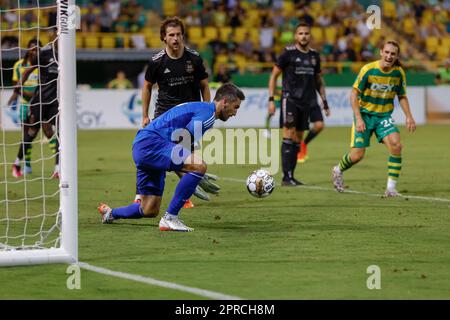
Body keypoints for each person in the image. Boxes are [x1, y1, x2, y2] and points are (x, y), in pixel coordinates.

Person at [98, 83, 245, 232]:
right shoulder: (208, 114)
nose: (235, 113)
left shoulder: (202, 108)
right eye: (236, 107)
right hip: (152, 143)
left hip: (145, 144)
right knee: (199, 166)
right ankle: (170, 218)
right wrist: (190, 172)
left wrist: (188, 171)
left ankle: (110, 214)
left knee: (149, 209)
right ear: (225, 101)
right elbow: (182, 141)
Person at [139, 16, 217, 207]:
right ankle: (188, 185)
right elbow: (147, 87)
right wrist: (145, 115)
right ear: (164, 38)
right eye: (171, 35)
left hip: (190, 114)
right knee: (168, 152)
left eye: (179, 35)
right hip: (165, 114)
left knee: (186, 153)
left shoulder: (194, 58)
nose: (176, 38)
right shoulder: (157, 62)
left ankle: (190, 184)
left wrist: (207, 109)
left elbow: (204, 85)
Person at [332, 40, 416, 197]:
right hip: (364, 114)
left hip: (383, 116)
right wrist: (359, 118)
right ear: (381, 52)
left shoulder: (398, 72)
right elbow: (353, 94)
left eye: (393, 54)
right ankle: (338, 170)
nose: (389, 56)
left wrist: (409, 116)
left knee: (396, 145)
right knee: (357, 155)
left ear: (397, 56)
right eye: (387, 52)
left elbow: (402, 96)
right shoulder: (368, 70)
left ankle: (391, 189)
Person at [268, 22, 330, 186]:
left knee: (298, 138)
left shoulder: (314, 56)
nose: (303, 36)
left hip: (307, 101)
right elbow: (274, 76)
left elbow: (318, 80)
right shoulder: (288, 53)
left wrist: (324, 101)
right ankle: (285, 176)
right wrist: (271, 100)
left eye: (306, 33)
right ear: (296, 36)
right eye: (301, 33)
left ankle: (291, 176)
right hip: (290, 99)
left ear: (310, 36)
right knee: (288, 134)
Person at [8, 36, 60, 179]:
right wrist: (18, 86)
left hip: (55, 102)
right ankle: (18, 163)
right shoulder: (45, 54)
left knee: (60, 132)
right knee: (31, 133)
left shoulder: (64, 56)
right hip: (39, 101)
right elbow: (28, 71)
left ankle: (58, 169)